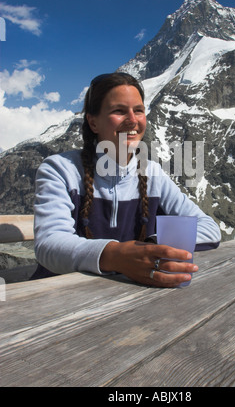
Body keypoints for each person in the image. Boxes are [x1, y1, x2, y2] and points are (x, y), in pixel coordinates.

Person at [32, 72, 221, 287]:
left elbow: (209, 228)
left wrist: (151, 245)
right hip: (58, 297)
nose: (132, 120)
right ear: (93, 123)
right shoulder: (60, 170)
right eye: (119, 111)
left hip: (128, 296)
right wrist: (118, 256)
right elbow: (49, 244)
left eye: (138, 110)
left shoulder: (154, 175)